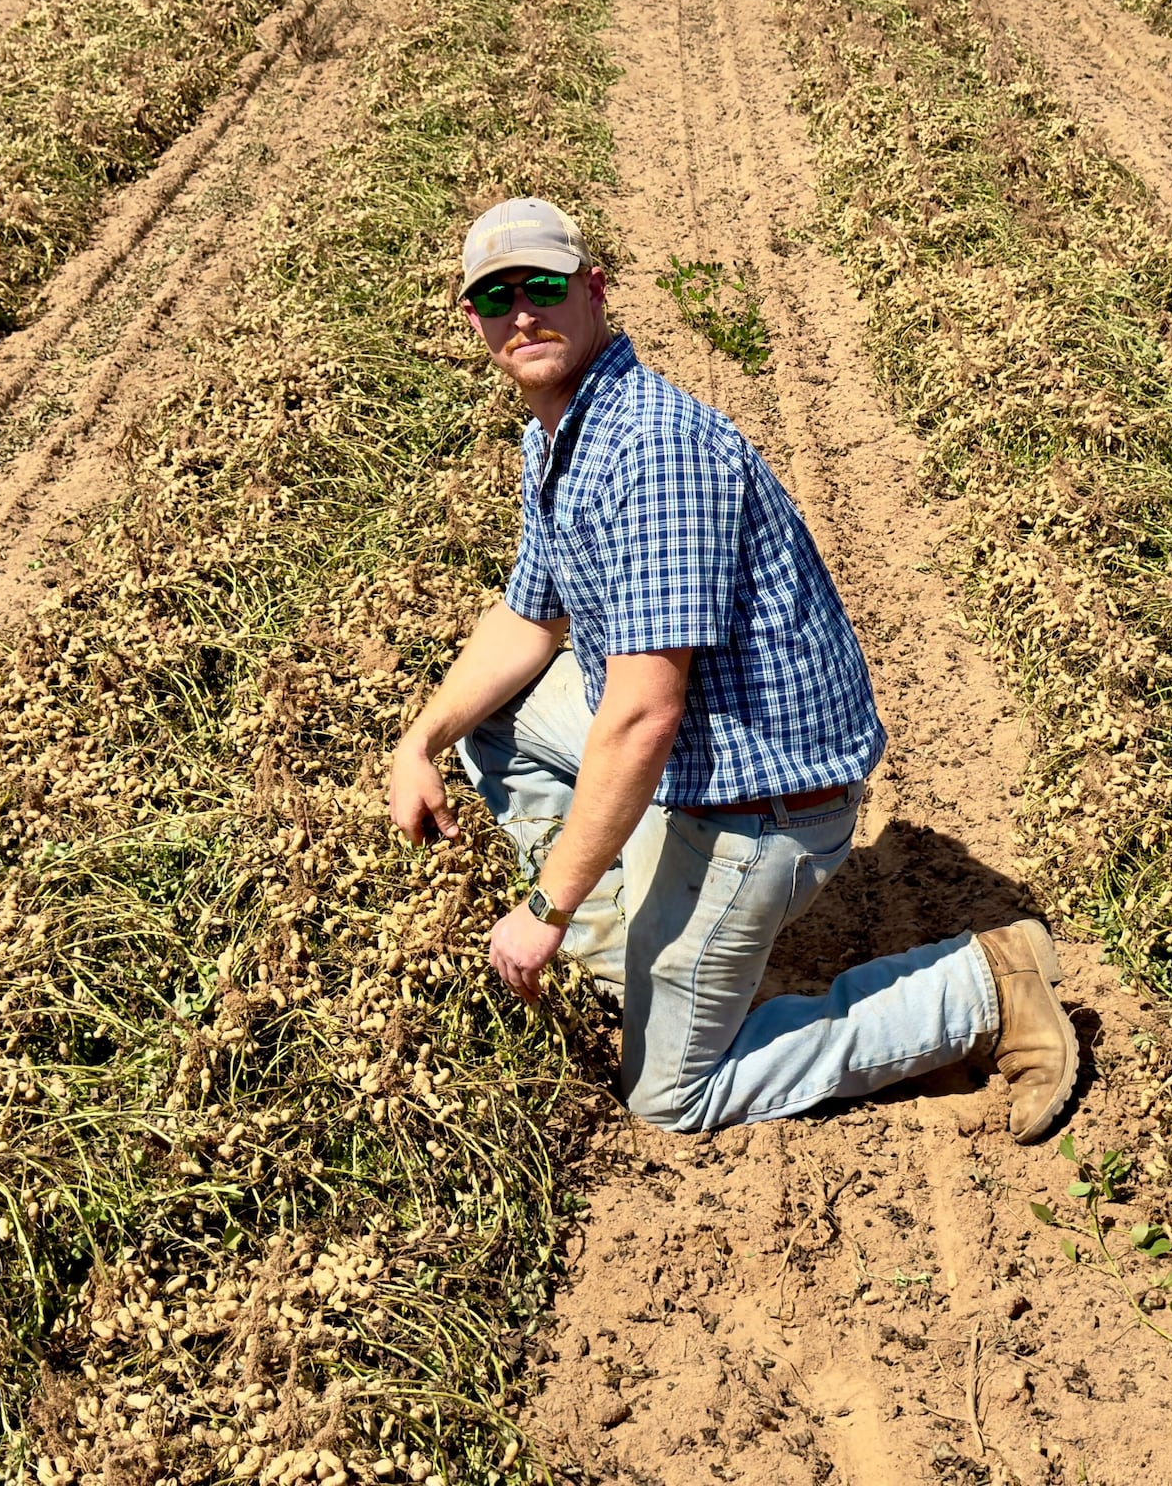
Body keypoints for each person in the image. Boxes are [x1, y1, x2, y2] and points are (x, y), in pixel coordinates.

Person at [383, 196, 1083, 1140]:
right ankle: (627, 933)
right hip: (684, 757)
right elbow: (526, 617)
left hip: (761, 803)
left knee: (671, 1094)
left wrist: (548, 907)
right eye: (496, 297)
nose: (523, 313)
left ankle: (981, 991)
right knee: (491, 715)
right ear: (474, 321)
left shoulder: (650, 451)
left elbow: (644, 717)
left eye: (543, 286)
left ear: (593, 291)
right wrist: (420, 739)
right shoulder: (557, 433)